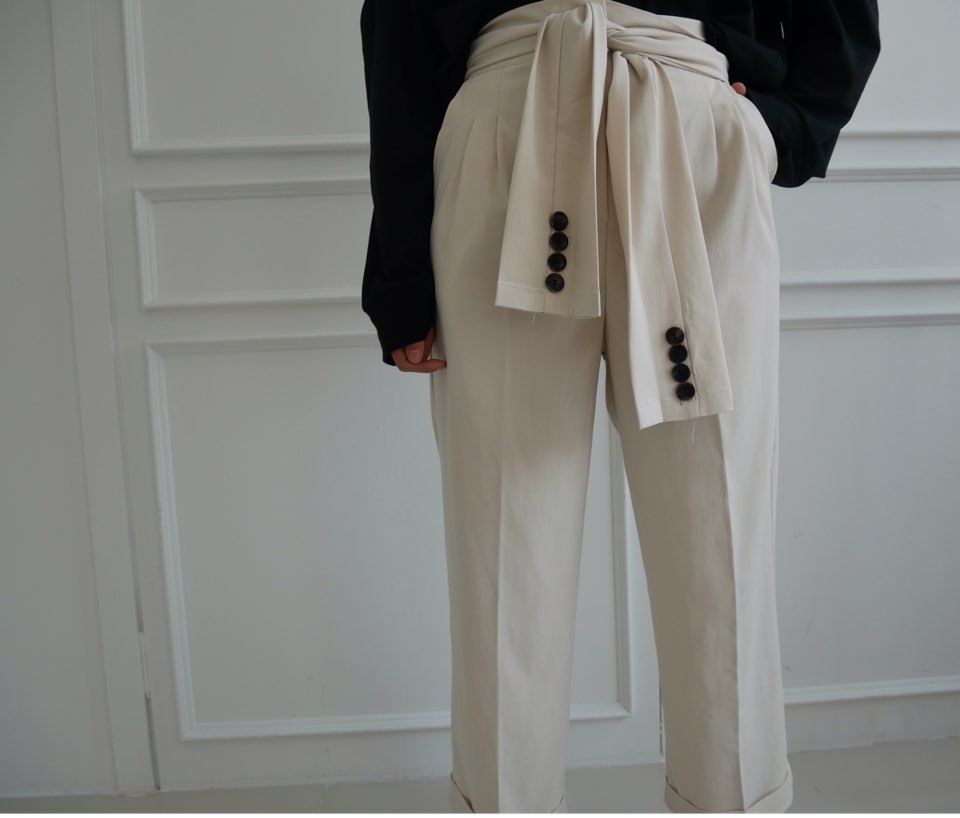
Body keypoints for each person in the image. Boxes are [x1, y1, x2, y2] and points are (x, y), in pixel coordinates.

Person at [360, 1, 880, 812]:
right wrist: (399, 272)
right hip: (507, 116)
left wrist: (786, 125)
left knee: (717, 543)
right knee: (504, 551)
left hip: (691, 125)